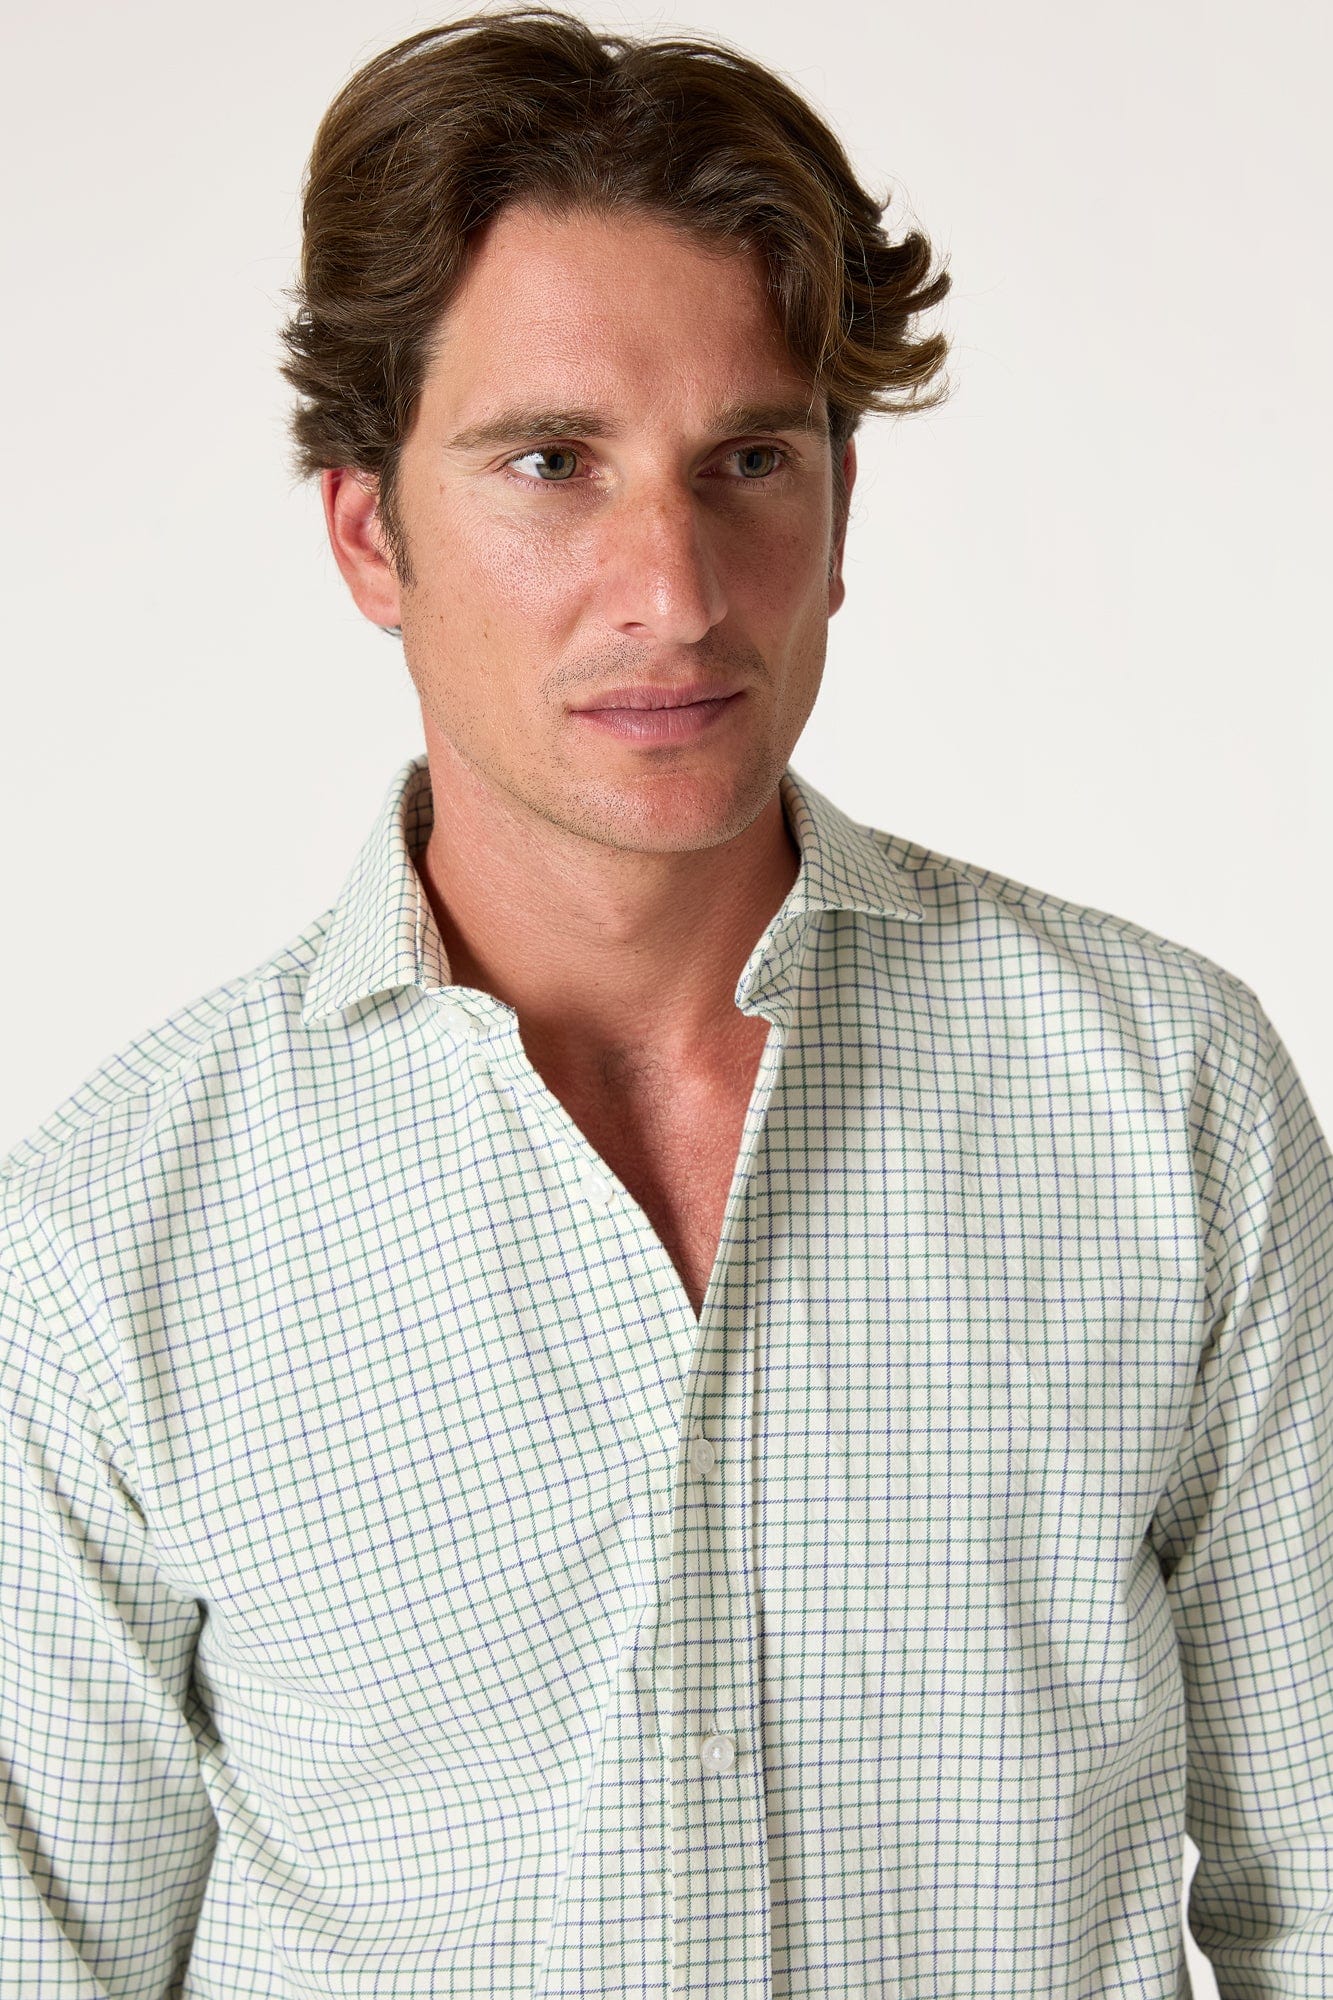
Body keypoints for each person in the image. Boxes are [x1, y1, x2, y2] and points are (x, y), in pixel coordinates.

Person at [1, 8, 1329, 1995]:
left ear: (841, 509)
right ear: (370, 532)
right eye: (551, 462)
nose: (678, 588)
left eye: (748, 461)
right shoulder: (114, 1237)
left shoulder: (1165, 1096)